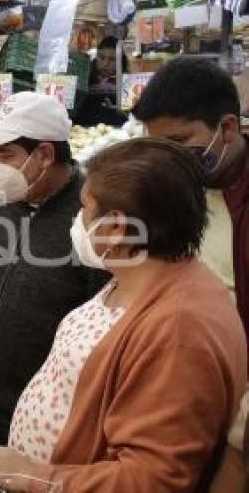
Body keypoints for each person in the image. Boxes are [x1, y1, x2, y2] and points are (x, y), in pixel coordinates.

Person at [0, 138, 247, 492]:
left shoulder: (180, 328)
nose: (78, 219)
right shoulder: (135, 278)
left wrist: (38, 478)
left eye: (85, 207)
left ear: (115, 227)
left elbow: (152, 479)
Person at [0, 92, 110, 445]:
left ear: (45, 155)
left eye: (4, 155)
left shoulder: (91, 218)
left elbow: (103, 320)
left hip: (49, 414)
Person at [131, 56, 249, 491]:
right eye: (158, 148)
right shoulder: (175, 197)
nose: (170, 161)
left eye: (181, 142)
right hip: (184, 405)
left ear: (228, 129)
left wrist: (238, 444)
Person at [74, 37, 129, 128]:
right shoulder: (84, 78)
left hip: (118, 133)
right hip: (83, 132)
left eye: (111, 59)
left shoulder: (127, 82)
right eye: (101, 57)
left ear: (121, 61)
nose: (105, 63)